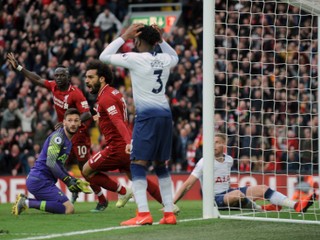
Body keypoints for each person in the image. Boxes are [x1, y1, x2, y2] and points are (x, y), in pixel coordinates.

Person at [99, 23, 179, 225]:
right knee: (161, 165)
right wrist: (161, 40)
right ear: (156, 42)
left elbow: (104, 56)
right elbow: (176, 57)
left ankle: (143, 214)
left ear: (137, 40)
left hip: (147, 117)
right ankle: (168, 214)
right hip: (165, 115)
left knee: (136, 164)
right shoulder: (165, 59)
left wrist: (123, 35)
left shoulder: (135, 58)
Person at [6, 52, 107, 212]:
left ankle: (101, 199)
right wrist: (19, 67)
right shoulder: (53, 86)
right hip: (64, 132)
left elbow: (87, 113)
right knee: (57, 160)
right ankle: (66, 192)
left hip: (77, 133)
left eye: (62, 75)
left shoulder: (75, 93)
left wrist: (71, 121)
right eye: (57, 75)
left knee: (85, 167)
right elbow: (37, 79)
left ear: (68, 77)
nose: (59, 78)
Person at [83, 59, 163, 209]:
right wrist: (101, 119)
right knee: (139, 178)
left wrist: (128, 142)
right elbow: (114, 119)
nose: (87, 81)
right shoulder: (113, 92)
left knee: (87, 170)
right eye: (86, 77)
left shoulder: (106, 97)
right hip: (125, 146)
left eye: (91, 77)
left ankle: (123, 191)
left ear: (101, 78)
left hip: (118, 148)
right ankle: (168, 204)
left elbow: (118, 120)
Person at [173, 133, 316, 213]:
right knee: (238, 195)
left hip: (228, 192)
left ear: (224, 145)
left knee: (263, 188)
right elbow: (187, 185)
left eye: (217, 142)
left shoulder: (228, 159)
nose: (213, 144)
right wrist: (170, 204)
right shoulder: (204, 162)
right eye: (212, 141)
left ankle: (296, 205)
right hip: (215, 199)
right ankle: (262, 209)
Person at [12, 108, 91, 215]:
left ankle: (25, 201)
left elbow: (59, 165)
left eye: (76, 120)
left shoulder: (67, 140)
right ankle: (26, 203)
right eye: (70, 120)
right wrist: (67, 180)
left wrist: (73, 181)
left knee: (63, 207)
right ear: (64, 122)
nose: (73, 123)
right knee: (69, 209)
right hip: (39, 180)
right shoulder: (58, 138)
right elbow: (50, 162)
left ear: (80, 123)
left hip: (43, 180)